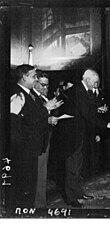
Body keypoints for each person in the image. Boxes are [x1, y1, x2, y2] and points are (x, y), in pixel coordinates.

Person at [55, 69, 110, 207]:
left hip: (80, 134)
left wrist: (97, 109)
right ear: (88, 80)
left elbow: (86, 110)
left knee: (78, 166)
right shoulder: (78, 90)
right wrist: (106, 124)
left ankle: (78, 192)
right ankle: (71, 198)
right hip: (71, 135)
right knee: (72, 166)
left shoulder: (84, 91)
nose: (96, 85)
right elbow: (86, 113)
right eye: (95, 82)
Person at [10, 65, 48, 207]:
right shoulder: (17, 93)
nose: (36, 79)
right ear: (24, 77)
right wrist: (46, 109)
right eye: (33, 76)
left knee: (30, 183)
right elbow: (29, 119)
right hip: (23, 148)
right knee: (24, 186)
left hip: (33, 147)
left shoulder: (31, 93)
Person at [32, 70, 62, 208]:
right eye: (42, 85)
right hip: (37, 140)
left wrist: (54, 113)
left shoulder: (44, 98)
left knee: (42, 172)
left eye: (47, 86)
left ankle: (41, 201)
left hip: (46, 137)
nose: (45, 88)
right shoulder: (32, 97)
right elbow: (32, 120)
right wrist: (48, 118)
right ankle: (38, 204)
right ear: (35, 83)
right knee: (38, 172)